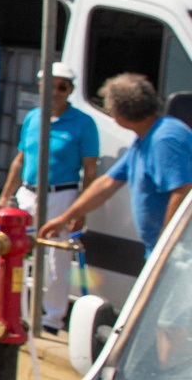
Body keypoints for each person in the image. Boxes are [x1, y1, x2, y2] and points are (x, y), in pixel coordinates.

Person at [0, 61, 98, 330]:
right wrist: (5, 197)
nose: (55, 92)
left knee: (57, 259)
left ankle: (52, 318)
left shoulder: (83, 123)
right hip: (27, 192)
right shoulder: (34, 117)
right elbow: (20, 160)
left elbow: (90, 170)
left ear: (69, 90)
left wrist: (80, 210)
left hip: (62, 195)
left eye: (62, 87)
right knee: (4, 246)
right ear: (40, 87)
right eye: (51, 86)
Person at [44, 74, 192, 257]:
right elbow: (107, 184)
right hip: (162, 249)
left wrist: (167, 245)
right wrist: (66, 217)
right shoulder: (146, 136)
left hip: (178, 253)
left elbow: (183, 189)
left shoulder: (165, 139)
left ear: (119, 116)